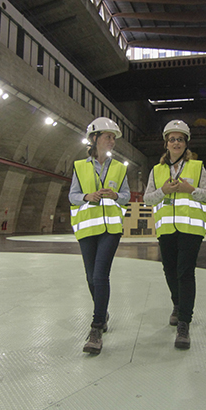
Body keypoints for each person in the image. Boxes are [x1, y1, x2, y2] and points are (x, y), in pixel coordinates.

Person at [143, 120, 206, 350]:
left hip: (190, 229)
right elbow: (147, 199)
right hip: (166, 230)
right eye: (172, 139)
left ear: (186, 143)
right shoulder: (157, 170)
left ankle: (184, 321)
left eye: (180, 139)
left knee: (185, 271)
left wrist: (190, 190)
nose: (176, 143)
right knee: (170, 271)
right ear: (166, 143)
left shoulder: (197, 166)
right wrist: (163, 191)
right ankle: (177, 304)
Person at [69, 117, 131, 354]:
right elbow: (72, 195)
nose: (112, 141)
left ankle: (96, 327)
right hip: (87, 228)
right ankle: (101, 310)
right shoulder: (79, 166)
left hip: (110, 229)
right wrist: (87, 197)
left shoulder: (119, 168)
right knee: (90, 276)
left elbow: (125, 195)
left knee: (100, 274)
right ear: (94, 139)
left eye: (114, 138)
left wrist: (115, 196)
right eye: (108, 136)